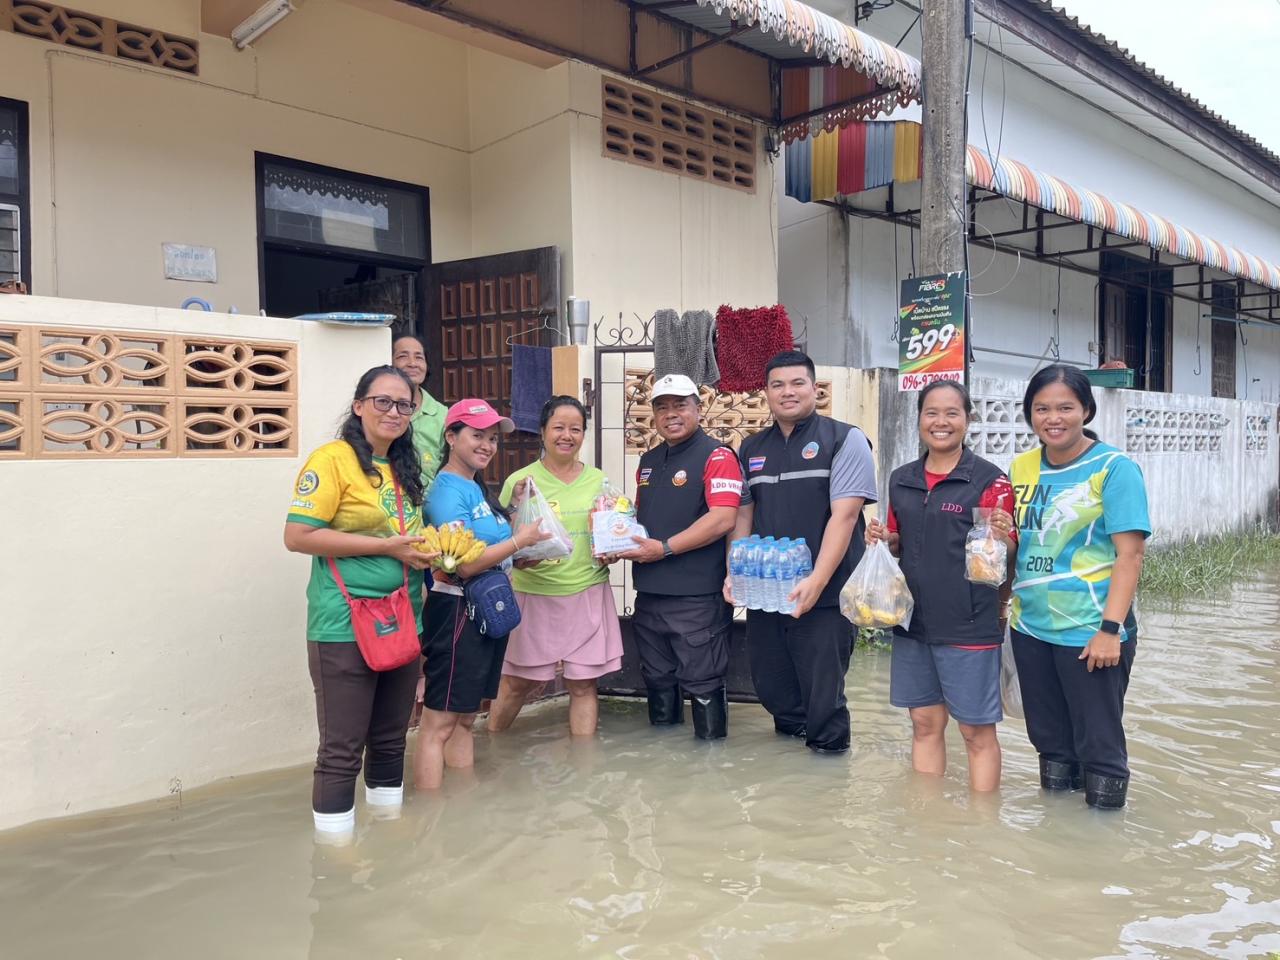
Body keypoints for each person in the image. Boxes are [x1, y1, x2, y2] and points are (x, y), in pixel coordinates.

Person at [283, 365, 435, 840]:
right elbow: (298, 536)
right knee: (342, 750)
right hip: (344, 625)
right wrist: (386, 547)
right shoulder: (331, 460)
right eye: (383, 401)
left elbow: (409, 538)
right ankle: (336, 862)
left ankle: (387, 840)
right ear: (359, 406)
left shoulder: (406, 467)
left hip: (404, 620)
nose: (394, 412)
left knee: (391, 742)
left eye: (404, 404)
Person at [990, 364, 1149, 809]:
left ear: (1086, 410)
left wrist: (1110, 630)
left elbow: (1129, 555)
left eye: (1065, 407)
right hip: (1030, 628)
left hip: (1090, 630)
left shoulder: (1114, 468)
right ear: (1029, 414)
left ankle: (1102, 848)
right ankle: (1056, 839)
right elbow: (1017, 547)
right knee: (1049, 741)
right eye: (1041, 408)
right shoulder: (1019, 467)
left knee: (1099, 745)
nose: (1052, 418)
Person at [865, 380, 1016, 791]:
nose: (941, 422)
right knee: (924, 723)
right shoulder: (902, 479)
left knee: (975, 732)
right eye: (931, 412)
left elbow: (1004, 559)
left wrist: (1003, 538)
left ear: (968, 420)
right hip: (913, 622)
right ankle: (928, 818)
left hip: (969, 624)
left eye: (952, 413)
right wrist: (884, 539)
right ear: (919, 420)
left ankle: (984, 824)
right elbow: (899, 541)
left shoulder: (990, 481)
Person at [727, 350, 877, 754]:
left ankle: (828, 779)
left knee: (823, 699)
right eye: (777, 384)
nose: (787, 392)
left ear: (815, 388)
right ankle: (791, 787)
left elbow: (844, 518)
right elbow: (744, 514)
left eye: (797, 383)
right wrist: (734, 570)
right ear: (766, 393)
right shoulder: (752, 447)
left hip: (825, 597)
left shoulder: (845, 440)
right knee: (774, 689)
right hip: (767, 593)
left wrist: (818, 580)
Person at [413, 399, 549, 789]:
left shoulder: (476, 489)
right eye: (477, 436)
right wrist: (519, 540)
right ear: (451, 437)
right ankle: (430, 818)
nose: (488, 445)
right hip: (456, 611)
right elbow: (464, 563)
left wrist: (520, 545)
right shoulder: (445, 493)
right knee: (438, 722)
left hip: (488, 610)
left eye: (492, 438)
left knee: (467, 718)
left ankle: (462, 810)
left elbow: (488, 550)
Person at [488, 397, 624, 736]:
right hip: (533, 595)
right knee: (516, 684)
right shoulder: (520, 482)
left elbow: (612, 531)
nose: (567, 436)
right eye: (558, 427)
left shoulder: (599, 481)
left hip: (587, 591)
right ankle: (491, 744)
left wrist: (615, 549)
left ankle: (583, 770)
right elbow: (500, 546)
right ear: (543, 431)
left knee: (583, 685)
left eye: (575, 429)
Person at [623, 373, 744, 740]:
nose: (670, 414)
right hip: (650, 593)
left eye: (680, 405)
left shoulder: (718, 455)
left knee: (703, 681)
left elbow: (723, 518)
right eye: (662, 407)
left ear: (698, 408)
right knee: (657, 678)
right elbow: (643, 520)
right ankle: (667, 771)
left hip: (697, 597)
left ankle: (709, 773)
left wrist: (665, 548)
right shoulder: (649, 459)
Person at [391, 333, 448, 490]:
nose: (412, 363)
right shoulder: (381, 411)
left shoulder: (443, 416)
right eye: (403, 356)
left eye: (419, 357)